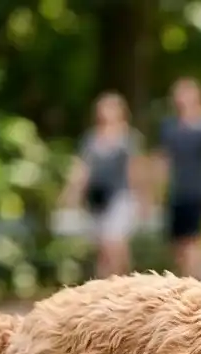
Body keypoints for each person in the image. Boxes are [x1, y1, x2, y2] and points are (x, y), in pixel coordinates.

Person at [60, 92, 146, 278]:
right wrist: (72, 193)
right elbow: (82, 169)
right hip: (97, 200)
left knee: (114, 243)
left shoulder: (128, 139)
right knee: (102, 249)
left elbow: (135, 170)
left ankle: (124, 281)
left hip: (121, 197)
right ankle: (107, 284)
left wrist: (143, 199)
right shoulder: (91, 139)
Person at [152, 78, 201, 281]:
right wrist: (157, 192)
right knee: (178, 247)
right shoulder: (170, 127)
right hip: (176, 193)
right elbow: (163, 161)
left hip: (198, 192)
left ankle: (199, 283)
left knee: (194, 243)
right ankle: (191, 281)